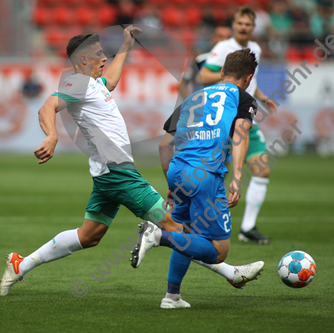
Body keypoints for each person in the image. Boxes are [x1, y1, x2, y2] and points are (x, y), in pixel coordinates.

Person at [0, 25, 182, 296]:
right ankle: (229, 271)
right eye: (98, 54)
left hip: (106, 173)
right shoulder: (75, 83)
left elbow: (111, 82)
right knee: (172, 225)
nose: (103, 57)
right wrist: (51, 135)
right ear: (83, 60)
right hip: (119, 173)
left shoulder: (93, 84)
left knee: (89, 236)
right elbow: (46, 106)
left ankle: (20, 265)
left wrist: (125, 47)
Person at [132, 49, 265, 308]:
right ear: (248, 78)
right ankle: (157, 237)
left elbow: (164, 145)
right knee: (218, 251)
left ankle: (172, 297)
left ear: (223, 72)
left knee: (187, 230)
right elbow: (241, 135)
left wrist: (172, 183)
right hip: (206, 175)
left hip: (178, 170)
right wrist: (237, 178)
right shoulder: (242, 97)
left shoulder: (193, 97)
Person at [197, 6, 277, 244]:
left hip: (246, 114)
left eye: (248, 24)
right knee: (215, 175)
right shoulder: (223, 48)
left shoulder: (257, 49)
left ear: (253, 27)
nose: (243, 28)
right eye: (240, 23)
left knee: (262, 169)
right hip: (224, 116)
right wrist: (228, 78)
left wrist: (261, 97)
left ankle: (248, 227)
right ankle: (205, 224)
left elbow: (249, 80)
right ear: (234, 25)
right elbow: (203, 75)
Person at [179, 26, 232, 100]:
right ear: (213, 39)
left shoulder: (235, 62)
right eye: (220, 37)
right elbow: (183, 83)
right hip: (204, 108)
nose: (224, 40)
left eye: (228, 38)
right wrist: (189, 103)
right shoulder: (201, 59)